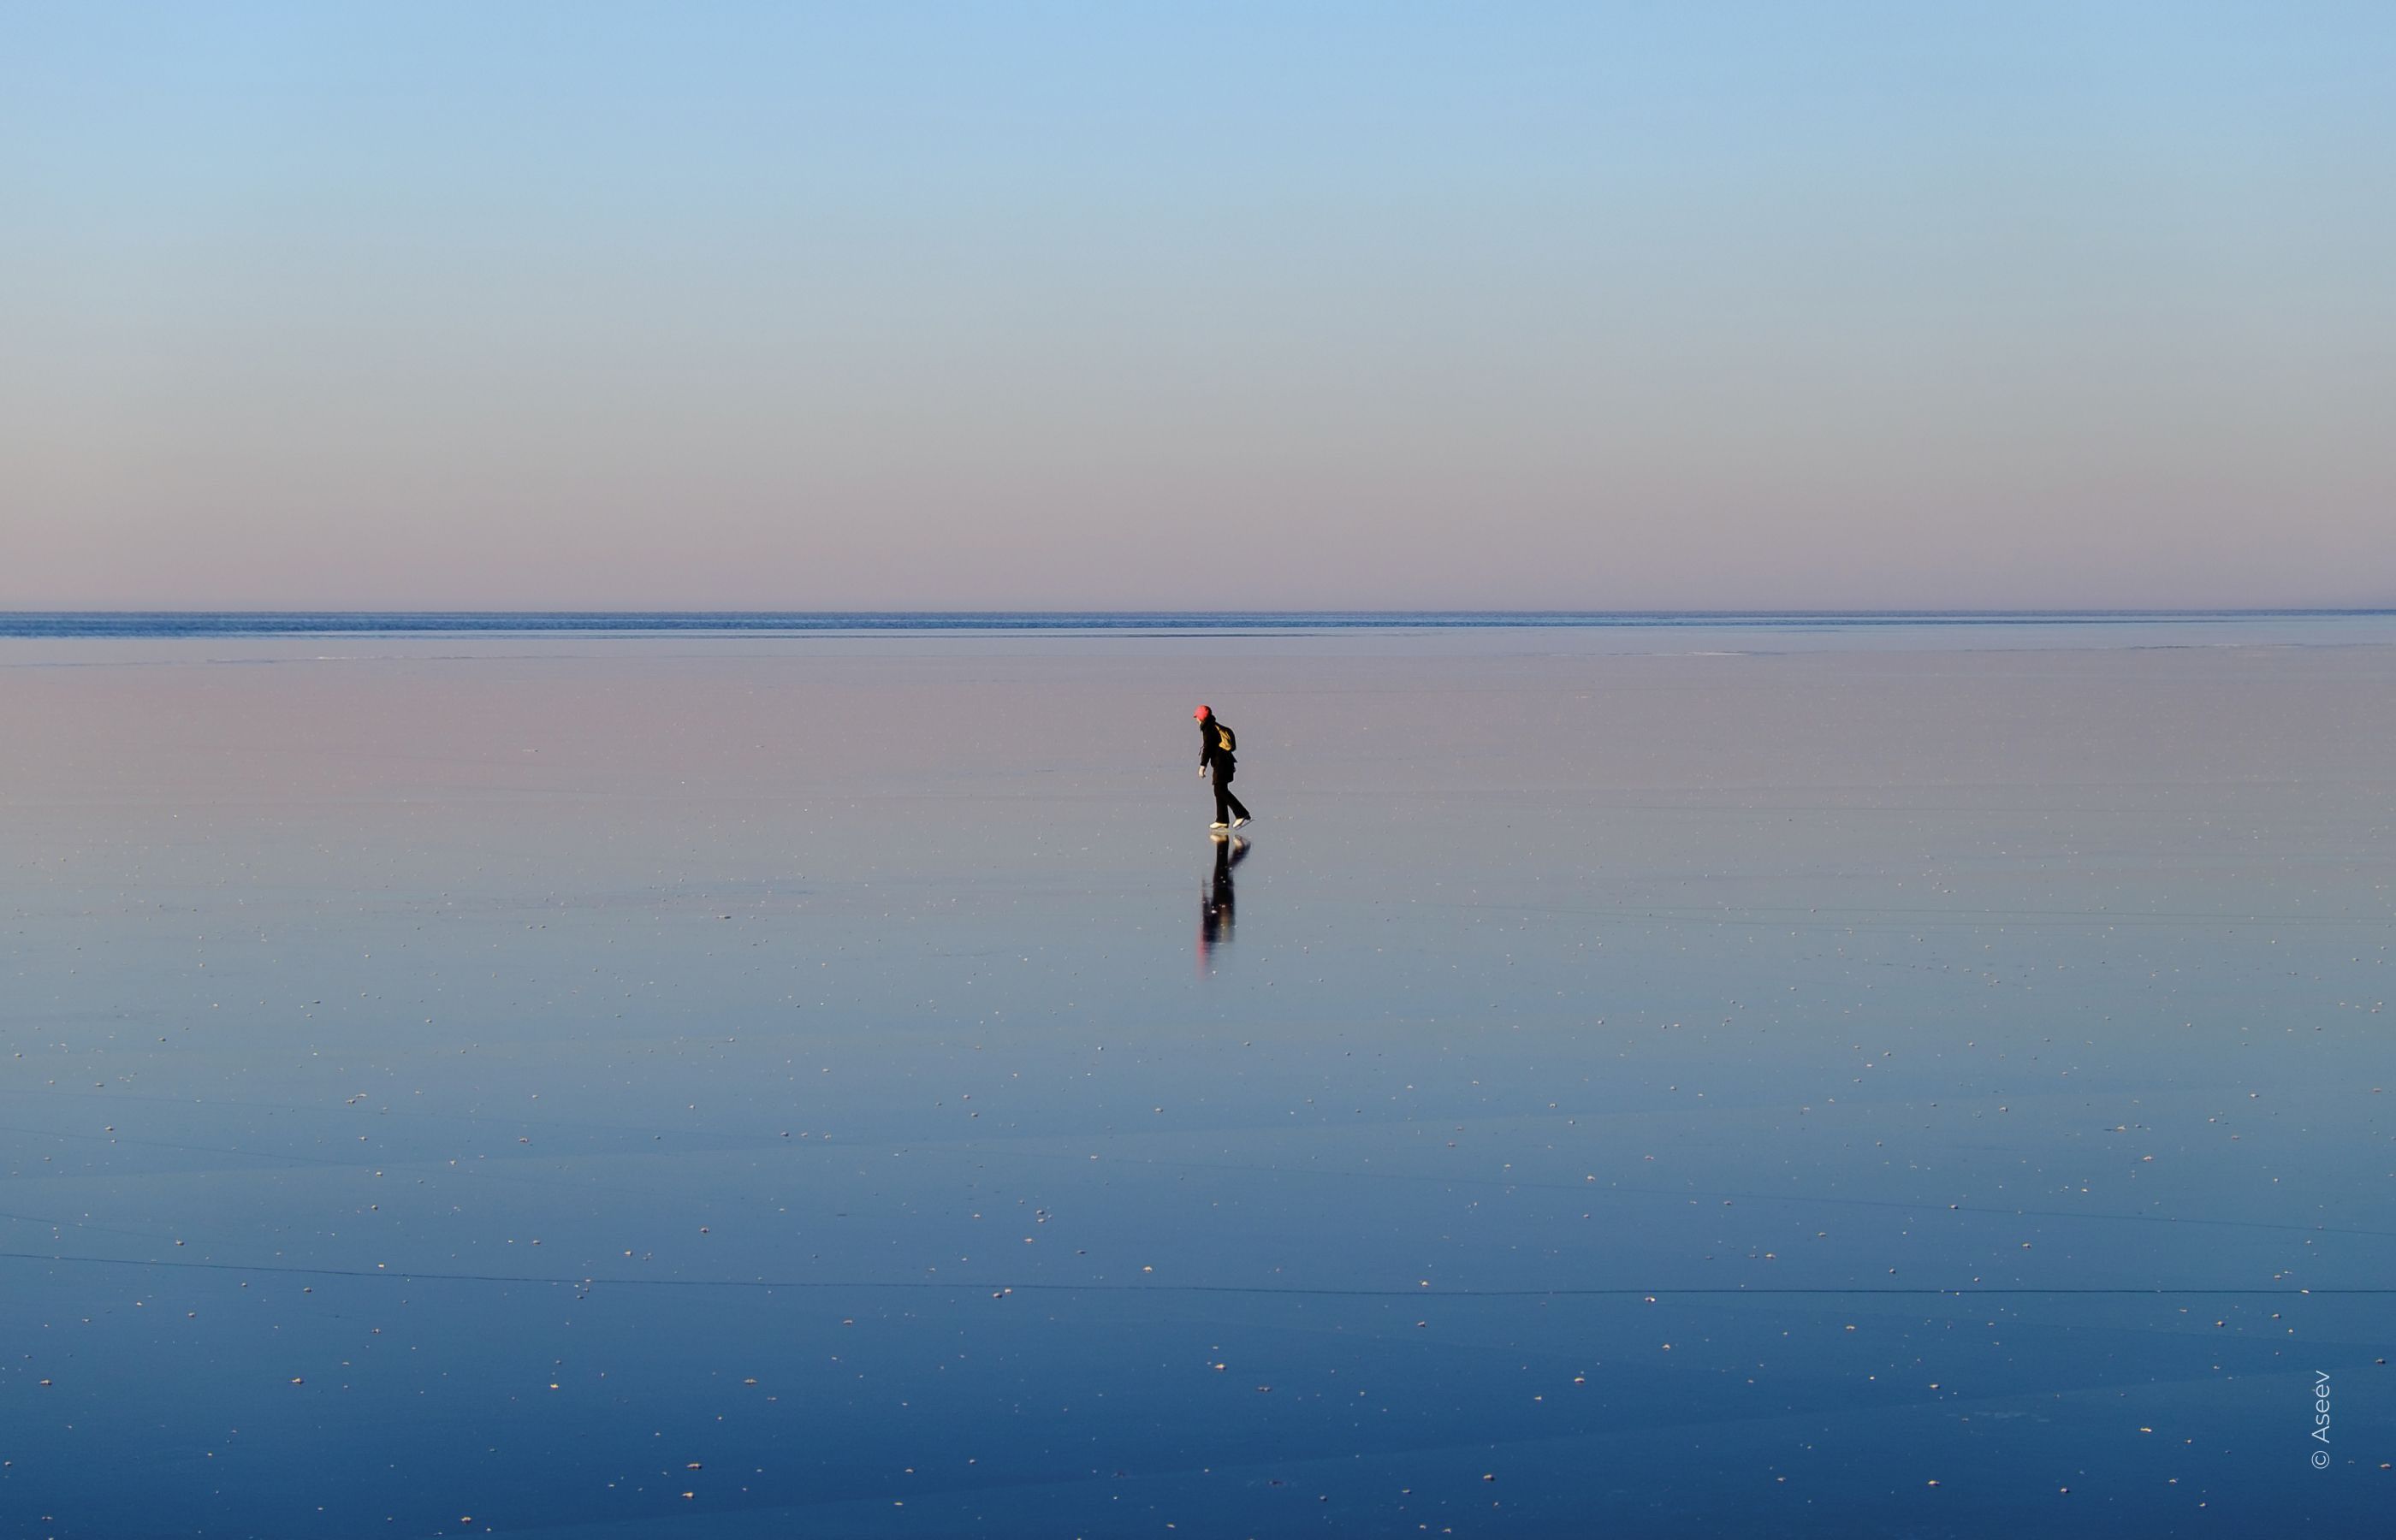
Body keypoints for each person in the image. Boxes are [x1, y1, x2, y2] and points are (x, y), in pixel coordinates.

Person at [1193, 704, 1251, 831]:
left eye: (1197, 717)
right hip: (1224, 762)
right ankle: (1222, 820)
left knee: (1220, 790)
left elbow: (1207, 748)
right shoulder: (1213, 726)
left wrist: (1203, 766)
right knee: (1219, 789)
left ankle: (1241, 813)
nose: (1196, 720)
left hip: (1222, 763)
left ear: (1202, 717)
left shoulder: (1209, 729)